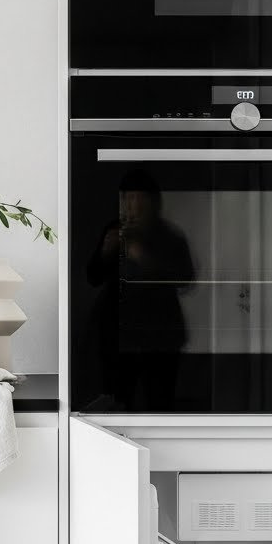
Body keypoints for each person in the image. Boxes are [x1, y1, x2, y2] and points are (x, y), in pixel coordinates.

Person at [87, 169, 195, 410]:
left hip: (160, 334)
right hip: (116, 332)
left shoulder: (170, 236)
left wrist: (142, 257)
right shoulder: (114, 231)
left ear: (154, 203)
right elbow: (92, 277)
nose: (131, 207)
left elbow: (185, 279)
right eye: (127, 199)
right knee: (116, 399)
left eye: (138, 199)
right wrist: (106, 250)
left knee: (160, 400)